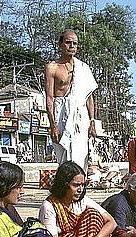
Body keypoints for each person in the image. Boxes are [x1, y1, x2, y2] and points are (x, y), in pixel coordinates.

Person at [38, 161, 116, 237]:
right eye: (75, 185)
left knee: (93, 214)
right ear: (63, 185)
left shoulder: (82, 201)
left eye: (82, 185)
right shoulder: (49, 206)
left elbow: (111, 223)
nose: (80, 189)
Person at [45, 30, 97, 172]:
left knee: (81, 154)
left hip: (80, 116)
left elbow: (88, 97)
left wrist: (92, 121)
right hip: (60, 112)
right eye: (68, 42)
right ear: (61, 44)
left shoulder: (83, 68)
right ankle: (65, 189)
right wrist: (53, 125)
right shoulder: (52, 68)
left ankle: (79, 187)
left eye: (75, 43)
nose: (71, 46)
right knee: (63, 154)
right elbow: (49, 98)